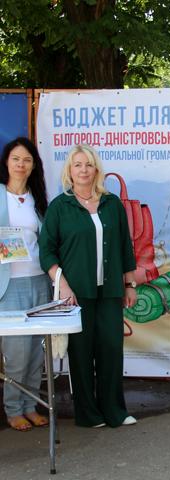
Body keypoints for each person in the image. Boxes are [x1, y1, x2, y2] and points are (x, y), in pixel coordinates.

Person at [39, 144, 137, 428]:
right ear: (69, 171)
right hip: (77, 294)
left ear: (96, 170)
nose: (83, 170)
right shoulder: (60, 206)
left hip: (110, 292)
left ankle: (115, 411)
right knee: (81, 354)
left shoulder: (112, 204)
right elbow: (47, 251)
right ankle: (88, 414)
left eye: (88, 164)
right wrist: (62, 284)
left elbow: (125, 246)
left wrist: (130, 283)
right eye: (77, 165)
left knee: (111, 350)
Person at [0, 137, 51, 431]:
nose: (21, 165)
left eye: (27, 160)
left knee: (36, 351)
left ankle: (30, 406)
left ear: (33, 166)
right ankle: (13, 409)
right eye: (16, 159)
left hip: (39, 281)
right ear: (6, 162)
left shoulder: (38, 199)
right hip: (9, 285)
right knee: (17, 352)